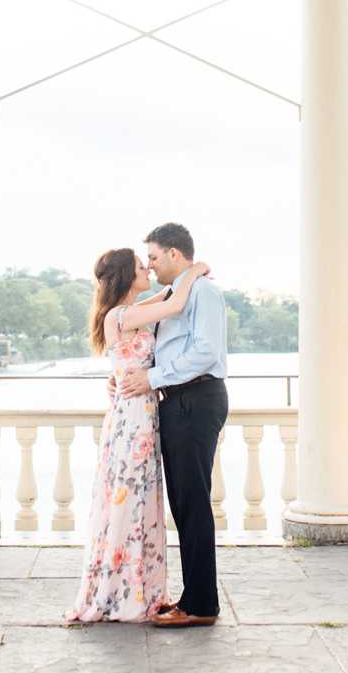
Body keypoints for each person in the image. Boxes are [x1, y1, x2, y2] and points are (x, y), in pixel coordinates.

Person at [67, 246, 211, 623]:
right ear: (125, 277)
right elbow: (175, 304)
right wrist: (193, 270)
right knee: (128, 501)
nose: (146, 267)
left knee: (142, 500)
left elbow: (165, 298)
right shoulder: (122, 314)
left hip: (141, 412)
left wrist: (114, 380)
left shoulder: (131, 310)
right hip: (133, 418)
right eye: (139, 265)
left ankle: (139, 589)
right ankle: (121, 594)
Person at [119, 222, 228, 629]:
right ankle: (193, 596)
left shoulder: (205, 293)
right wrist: (133, 374)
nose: (150, 264)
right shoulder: (175, 294)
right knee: (183, 505)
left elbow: (204, 352)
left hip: (195, 400)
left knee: (193, 503)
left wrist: (151, 378)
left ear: (174, 255)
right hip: (178, 401)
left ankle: (202, 605)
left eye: (152, 257)